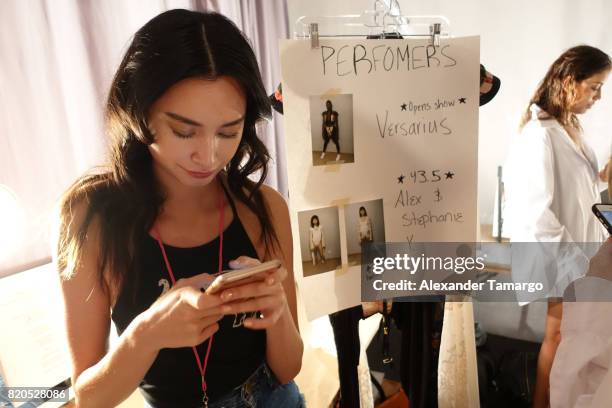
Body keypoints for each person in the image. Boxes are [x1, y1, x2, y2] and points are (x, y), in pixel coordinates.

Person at [54, 10, 303, 408]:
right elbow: (88, 398)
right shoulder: (90, 218)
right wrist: (147, 334)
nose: (208, 155)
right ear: (139, 110)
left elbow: (289, 369)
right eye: (184, 130)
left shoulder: (265, 208)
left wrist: (279, 316)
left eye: (228, 132)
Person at [504, 45, 610, 408]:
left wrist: (603, 177)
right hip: (565, 256)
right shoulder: (540, 135)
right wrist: (576, 263)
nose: (598, 96)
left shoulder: (569, 128)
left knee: (568, 336)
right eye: (594, 87)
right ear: (569, 82)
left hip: (582, 254)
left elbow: (580, 190)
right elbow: (538, 213)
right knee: (560, 336)